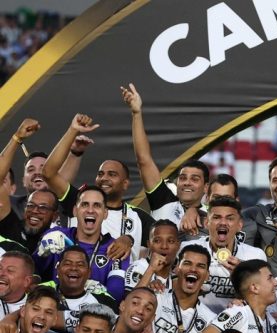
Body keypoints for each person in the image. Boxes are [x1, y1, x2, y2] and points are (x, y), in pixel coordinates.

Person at [43, 115, 152, 261]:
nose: (104, 178)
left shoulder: (138, 217)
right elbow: (48, 173)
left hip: (116, 282)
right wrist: (73, 130)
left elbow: (167, 240)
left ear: (125, 183)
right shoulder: (78, 201)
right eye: (100, 174)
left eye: (112, 174)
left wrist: (129, 239)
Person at [122, 84, 210, 237]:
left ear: (206, 187)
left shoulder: (215, 215)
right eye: (182, 178)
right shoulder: (164, 202)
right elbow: (144, 160)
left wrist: (194, 209)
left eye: (195, 179)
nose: (187, 182)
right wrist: (136, 113)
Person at [33, 185, 130, 301]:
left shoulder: (116, 247)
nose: (90, 210)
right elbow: (33, 275)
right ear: (75, 210)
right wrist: (40, 256)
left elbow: (116, 295)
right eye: (85, 204)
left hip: (93, 314)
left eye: (97, 205)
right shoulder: (56, 235)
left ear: (105, 213)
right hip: (56, 310)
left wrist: (94, 291)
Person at [180, 197, 267, 313]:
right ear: (206, 222)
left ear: (240, 225)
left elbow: (264, 300)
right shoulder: (186, 250)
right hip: (195, 321)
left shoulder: (255, 256)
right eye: (216, 217)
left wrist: (244, 276)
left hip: (236, 324)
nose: (223, 223)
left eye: (230, 218)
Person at [148, 245, 216, 333]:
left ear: (207, 275)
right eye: (187, 263)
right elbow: (129, 309)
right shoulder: (157, 298)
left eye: (200, 266)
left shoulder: (211, 320)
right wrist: (150, 271)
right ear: (176, 268)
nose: (193, 269)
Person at [40, 246, 119, 333]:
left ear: (89, 272)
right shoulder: (40, 296)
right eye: (67, 263)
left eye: (80, 264)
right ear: (58, 270)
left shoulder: (104, 302)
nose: (74, 268)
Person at [125, 220, 180, 293]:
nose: (164, 246)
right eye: (157, 241)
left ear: (178, 245)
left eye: (170, 241)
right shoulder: (138, 267)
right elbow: (130, 301)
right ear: (149, 245)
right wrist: (151, 270)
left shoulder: (179, 276)